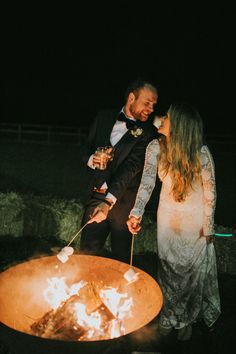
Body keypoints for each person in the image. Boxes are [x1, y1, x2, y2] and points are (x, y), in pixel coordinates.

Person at [127, 102, 221, 341]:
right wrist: (136, 211)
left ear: (179, 126)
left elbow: (210, 193)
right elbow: (147, 183)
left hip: (194, 222)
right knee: (168, 271)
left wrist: (208, 226)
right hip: (167, 219)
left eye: (167, 117)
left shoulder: (201, 153)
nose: (161, 118)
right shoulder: (155, 147)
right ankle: (169, 316)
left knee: (189, 274)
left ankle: (186, 318)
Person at [79, 77, 159, 263]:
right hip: (95, 197)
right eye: (147, 103)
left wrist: (108, 202)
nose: (151, 109)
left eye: (154, 105)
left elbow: (130, 169)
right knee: (86, 255)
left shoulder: (147, 133)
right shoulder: (103, 117)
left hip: (123, 204)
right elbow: (85, 148)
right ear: (131, 98)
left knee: (121, 260)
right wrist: (92, 159)